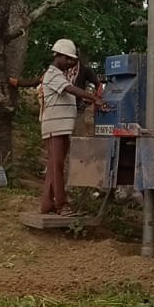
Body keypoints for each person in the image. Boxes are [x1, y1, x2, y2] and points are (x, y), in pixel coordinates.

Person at [39, 38, 105, 215]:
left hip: (61, 127)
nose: (70, 63)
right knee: (57, 166)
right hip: (55, 127)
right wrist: (93, 98)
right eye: (67, 59)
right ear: (58, 56)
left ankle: (47, 203)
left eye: (72, 59)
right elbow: (71, 90)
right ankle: (62, 205)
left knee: (54, 166)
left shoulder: (59, 75)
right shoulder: (52, 74)